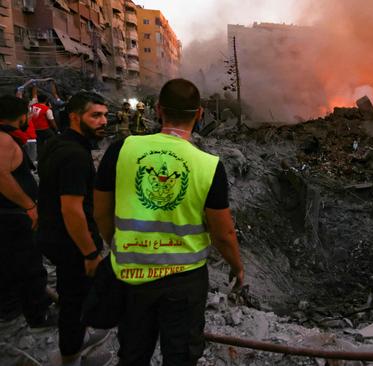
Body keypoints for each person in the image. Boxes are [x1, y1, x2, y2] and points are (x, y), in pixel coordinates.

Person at [94, 79, 244, 366]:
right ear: (200, 114)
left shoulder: (120, 150)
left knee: (134, 352)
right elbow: (223, 232)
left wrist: (117, 243)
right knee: (181, 356)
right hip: (183, 282)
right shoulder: (209, 165)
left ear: (158, 109)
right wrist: (236, 266)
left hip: (132, 275)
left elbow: (101, 211)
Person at [37, 92, 112, 366]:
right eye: (95, 115)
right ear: (74, 117)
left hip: (53, 236)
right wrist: (90, 253)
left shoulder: (57, 144)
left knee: (74, 298)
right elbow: (72, 209)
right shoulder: (75, 156)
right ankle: (69, 357)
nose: (103, 121)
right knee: (74, 300)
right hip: (72, 244)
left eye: (105, 115)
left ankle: (76, 343)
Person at [0, 95, 55, 328]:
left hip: (9, 215)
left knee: (10, 263)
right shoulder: (3, 140)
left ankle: (11, 307)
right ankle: (38, 313)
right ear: (21, 116)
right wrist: (29, 205)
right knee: (29, 265)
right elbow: (1, 176)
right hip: (13, 216)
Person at [30, 87, 58, 159]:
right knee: (54, 139)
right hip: (44, 129)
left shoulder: (31, 106)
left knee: (39, 144)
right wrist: (57, 130)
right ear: (46, 100)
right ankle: (53, 153)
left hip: (35, 129)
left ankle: (39, 157)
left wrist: (34, 86)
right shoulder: (47, 109)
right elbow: (52, 121)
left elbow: (34, 96)